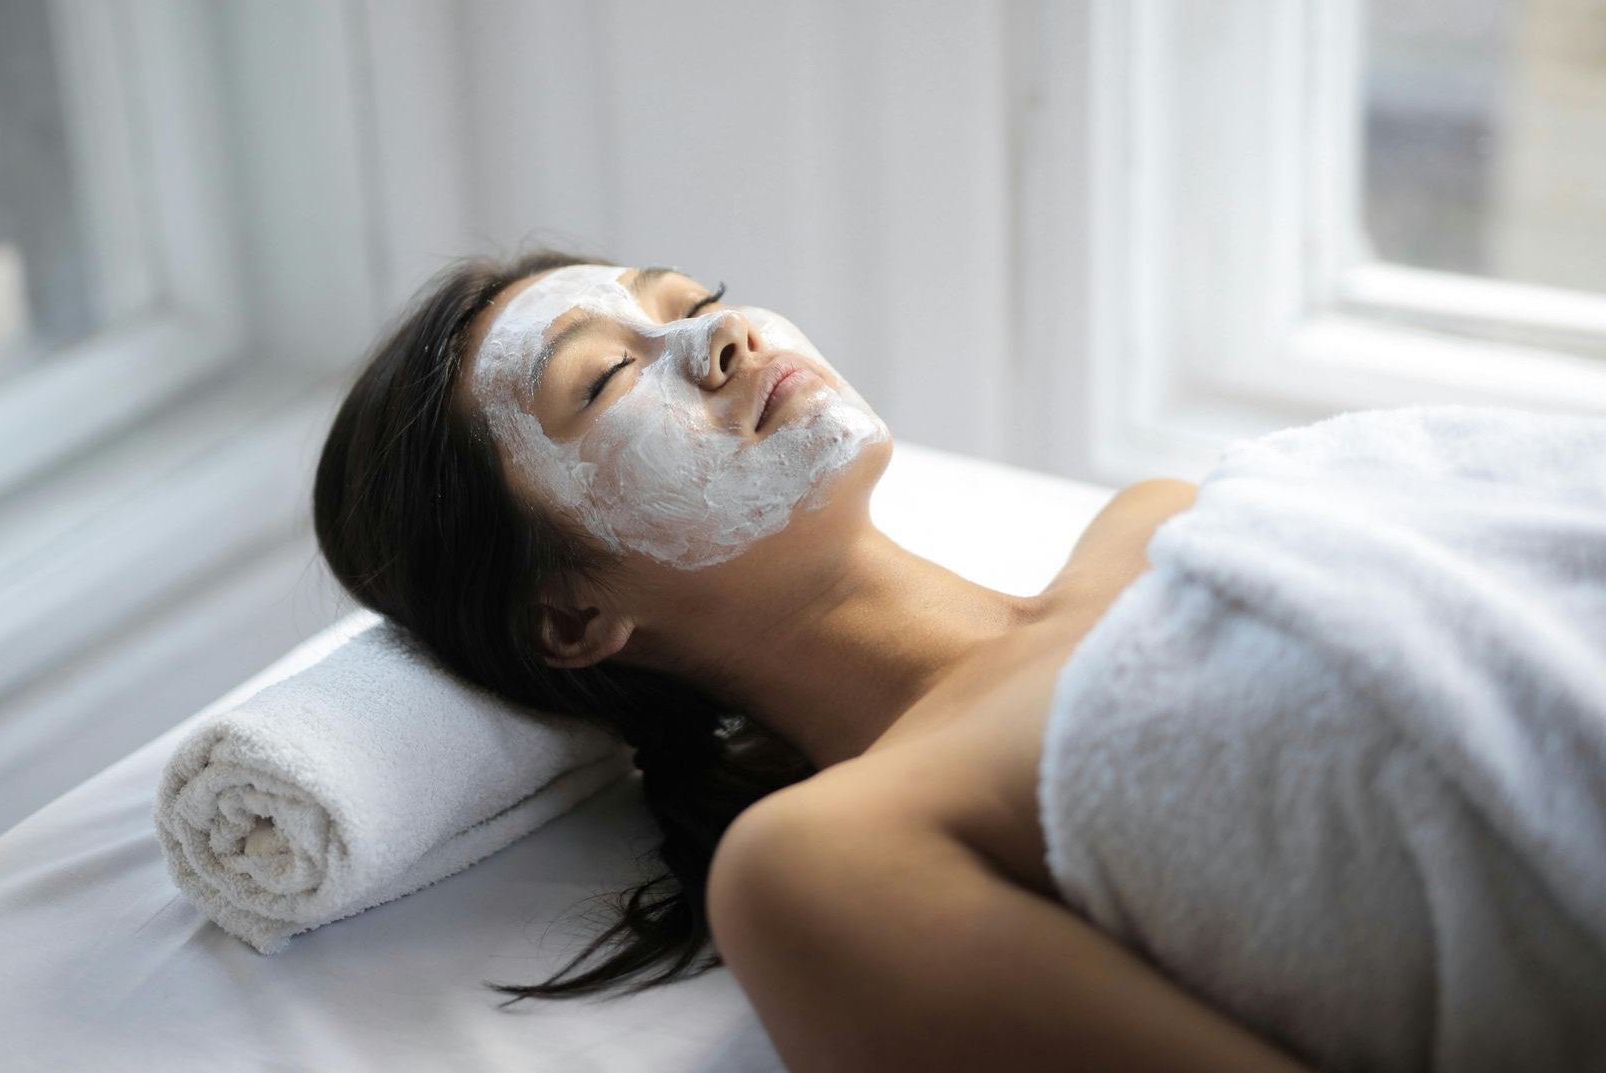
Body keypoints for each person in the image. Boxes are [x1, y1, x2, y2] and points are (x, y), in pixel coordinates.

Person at [311, 249, 1312, 1070]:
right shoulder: (821, 865)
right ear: (573, 618)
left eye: (694, 299)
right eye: (608, 375)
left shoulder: (1164, 516)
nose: (719, 333)